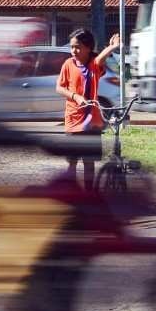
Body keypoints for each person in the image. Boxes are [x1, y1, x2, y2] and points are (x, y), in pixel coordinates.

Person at [56, 28, 121, 190]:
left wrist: (112, 47)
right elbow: (59, 87)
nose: (74, 51)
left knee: (89, 161)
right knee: (72, 161)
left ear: (88, 47)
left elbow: (100, 59)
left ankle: (89, 194)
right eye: (72, 47)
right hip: (73, 119)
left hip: (92, 122)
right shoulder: (68, 64)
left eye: (77, 47)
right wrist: (75, 96)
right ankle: (72, 193)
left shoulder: (94, 65)